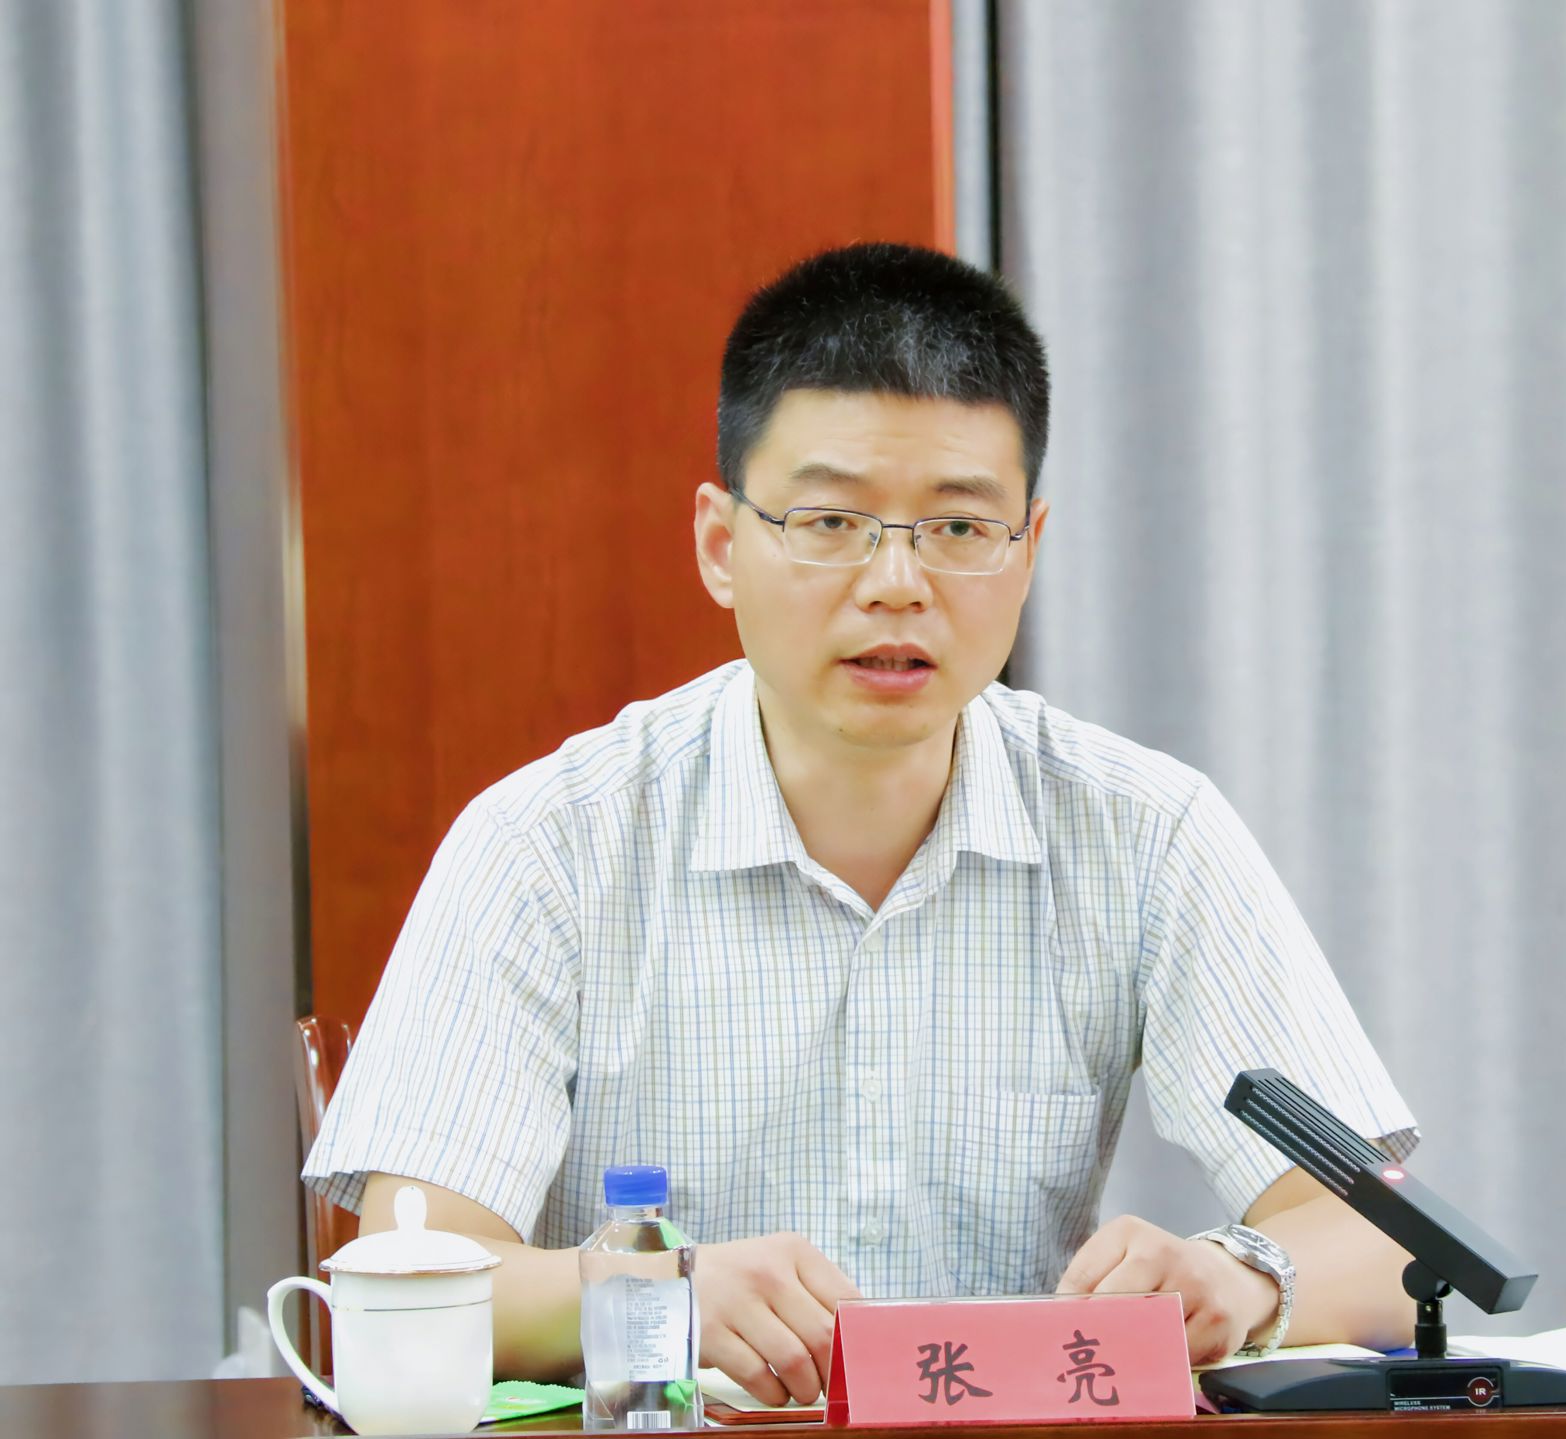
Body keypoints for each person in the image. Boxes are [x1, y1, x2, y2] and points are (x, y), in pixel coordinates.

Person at [304, 241, 1420, 1401]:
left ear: (1028, 551)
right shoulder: (551, 843)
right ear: (721, 545)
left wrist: (1242, 1279)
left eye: (958, 528)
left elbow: (1394, 1243)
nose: (896, 582)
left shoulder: (1144, 834)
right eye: (832, 521)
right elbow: (409, 1279)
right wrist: (655, 1289)